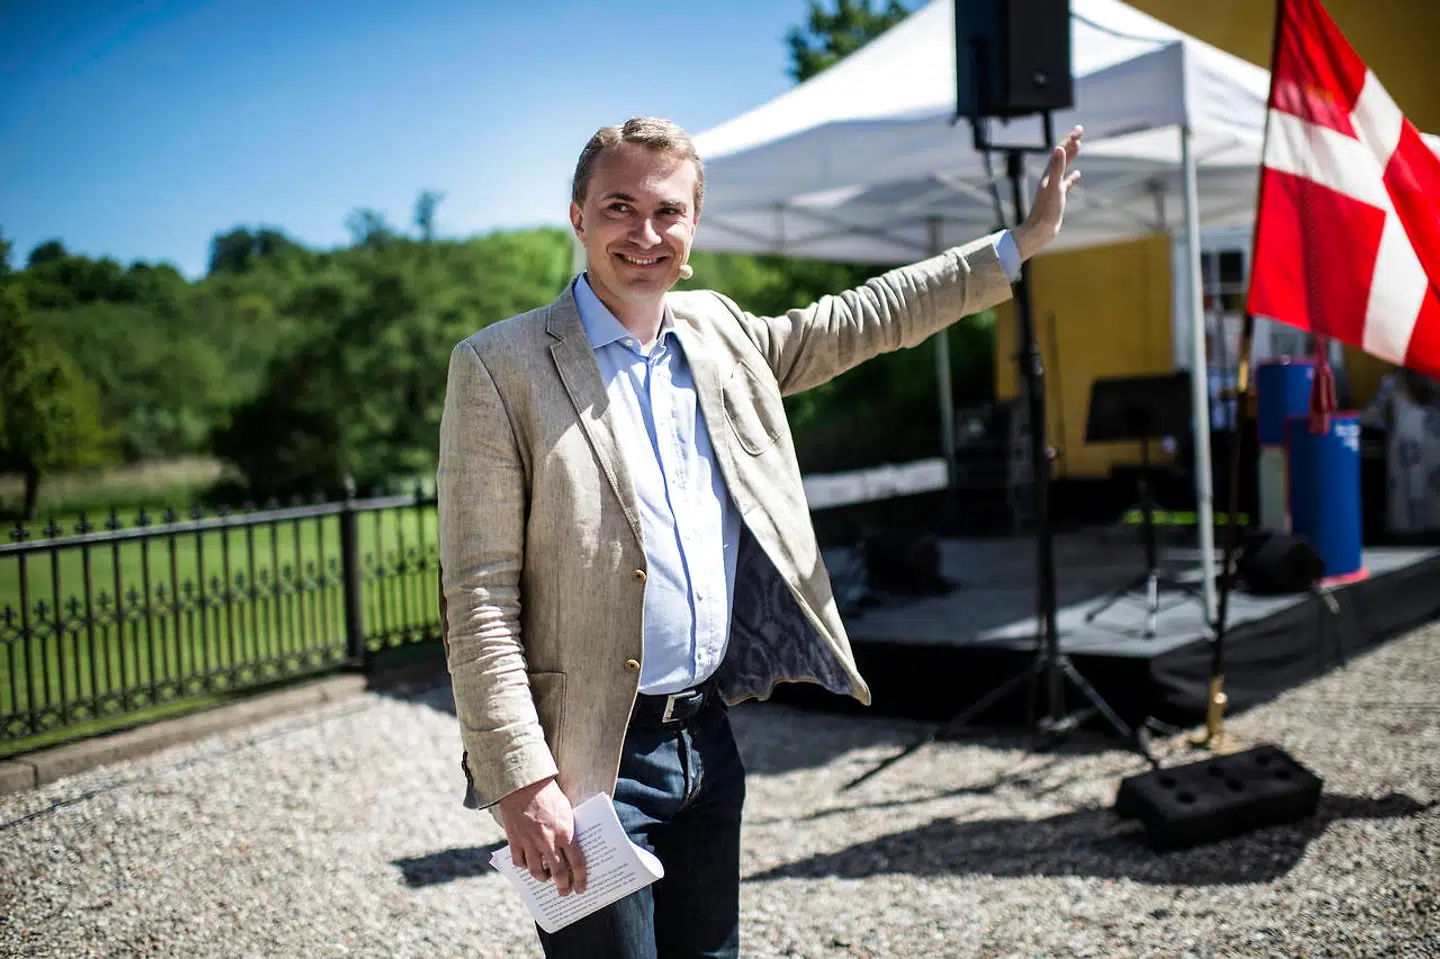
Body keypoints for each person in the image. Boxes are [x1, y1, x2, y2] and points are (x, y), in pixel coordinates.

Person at [436, 116, 1083, 958]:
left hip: (706, 738)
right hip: (586, 764)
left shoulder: (720, 333)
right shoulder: (499, 364)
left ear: (694, 227)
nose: (645, 233)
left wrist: (1015, 246)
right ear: (578, 217)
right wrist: (521, 780)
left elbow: (860, 317)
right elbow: (478, 595)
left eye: (668, 211)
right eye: (619, 207)